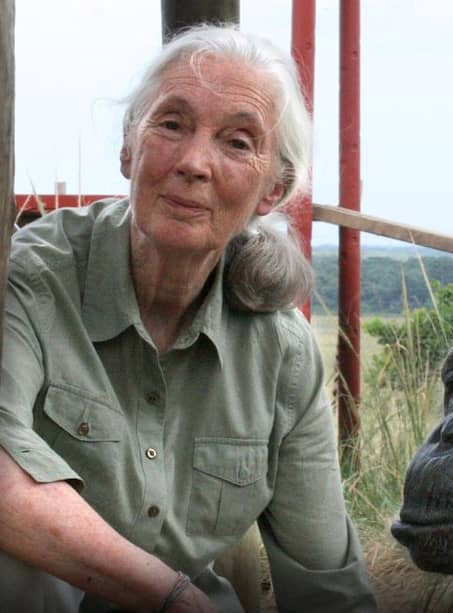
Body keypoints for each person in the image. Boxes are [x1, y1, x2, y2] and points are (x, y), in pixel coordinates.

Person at [0, 25, 377, 613]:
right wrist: (170, 595)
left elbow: (325, 584)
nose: (194, 163)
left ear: (271, 192)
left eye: (237, 142)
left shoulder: (282, 352)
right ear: (130, 147)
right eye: (172, 125)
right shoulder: (28, 281)